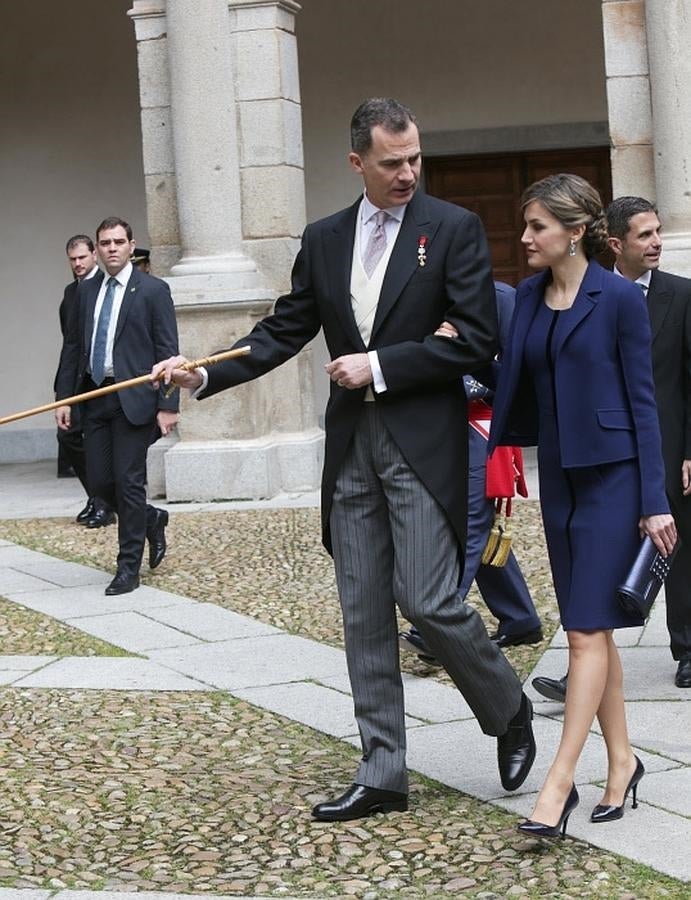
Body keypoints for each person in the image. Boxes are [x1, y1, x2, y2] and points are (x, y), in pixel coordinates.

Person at [153, 98, 536, 821]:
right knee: (362, 611)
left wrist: (379, 365)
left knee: (428, 600)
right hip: (351, 449)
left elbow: (475, 338)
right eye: (392, 163)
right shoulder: (324, 237)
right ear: (357, 161)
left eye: (414, 158)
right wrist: (203, 372)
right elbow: (284, 328)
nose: (408, 173)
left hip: (422, 442)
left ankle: (506, 705)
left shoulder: (451, 228)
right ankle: (382, 771)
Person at [488, 174, 676, 837]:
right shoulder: (528, 297)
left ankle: (559, 782)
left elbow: (644, 403)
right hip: (561, 480)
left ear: (573, 231)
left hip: (615, 480)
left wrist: (654, 500)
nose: (524, 237)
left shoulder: (618, 297)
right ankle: (623, 762)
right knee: (591, 629)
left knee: (582, 635)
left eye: (536, 225)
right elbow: (514, 376)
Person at [532, 197, 691, 699]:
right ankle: (586, 664)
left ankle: (687, 647)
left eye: (659, 232)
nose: (657, 242)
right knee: (595, 558)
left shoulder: (682, 295)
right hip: (604, 450)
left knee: (675, 547)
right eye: (645, 234)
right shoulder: (588, 294)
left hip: (668, 444)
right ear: (617, 244)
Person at [400, 281, 542, 665]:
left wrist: (464, 372)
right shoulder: (418, 291)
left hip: (482, 423)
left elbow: (516, 370)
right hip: (438, 425)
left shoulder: (500, 298)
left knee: (468, 524)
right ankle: (520, 617)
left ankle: (436, 629)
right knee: (477, 527)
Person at [55, 217, 179, 595]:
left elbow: (168, 351)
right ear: (97, 249)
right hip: (94, 397)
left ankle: (128, 568)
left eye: (118, 242)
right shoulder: (85, 292)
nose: (112, 248)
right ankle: (150, 518)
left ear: (131, 246)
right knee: (100, 483)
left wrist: (168, 404)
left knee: (128, 481)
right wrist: (64, 399)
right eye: (105, 243)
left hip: (134, 399)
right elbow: (73, 347)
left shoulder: (153, 290)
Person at [54, 235, 115, 528]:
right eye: (72, 259)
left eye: (82, 257)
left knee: (98, 443)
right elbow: (70, 342)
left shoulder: (106, 285)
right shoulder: (71, 292)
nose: (78, 263)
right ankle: (98, 497)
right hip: (75, 378)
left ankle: (104, 502)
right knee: (67, 436)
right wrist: (63, 392)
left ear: (94, 255)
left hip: (100, 380)